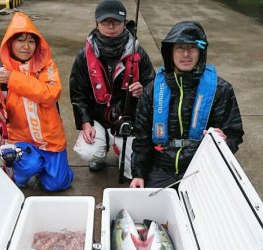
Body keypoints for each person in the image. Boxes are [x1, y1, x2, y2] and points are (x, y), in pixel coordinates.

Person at [130, 21, 244, 188]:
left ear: (200, 51)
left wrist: (224, 141)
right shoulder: (151, 90)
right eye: (179, 48)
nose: (186, 54)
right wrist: (138, 173)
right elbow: (142, 137)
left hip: (201, 166)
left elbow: (234, 134)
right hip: (161, 167)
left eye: (192, 48)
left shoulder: (222, 90)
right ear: (170, 52)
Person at [0, 12, 74, 191]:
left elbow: (50, 94)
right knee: (29, 165)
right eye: (20, 40)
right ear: (10, 43)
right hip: (20, 139)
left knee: (57, 185)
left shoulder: (48, 66)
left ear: (37, 44)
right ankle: (21, 176)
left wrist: (13, 78)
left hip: (51, 140)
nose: (26, 46)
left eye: (31, 41)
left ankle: (52, 169)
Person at [69, 0, 155, 179]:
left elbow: (153, 85)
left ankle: (120, 144)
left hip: (127, 117)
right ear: (96, 24)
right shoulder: (84, 55)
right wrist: (85, 123)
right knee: (89, 150)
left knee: (134, 169)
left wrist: (143, 91)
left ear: (124, 23)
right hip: (97, 116)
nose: (110, 26)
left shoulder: (139, 53)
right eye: (105, 22)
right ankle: (99, 155)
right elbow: (78, 94)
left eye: (116, 21)